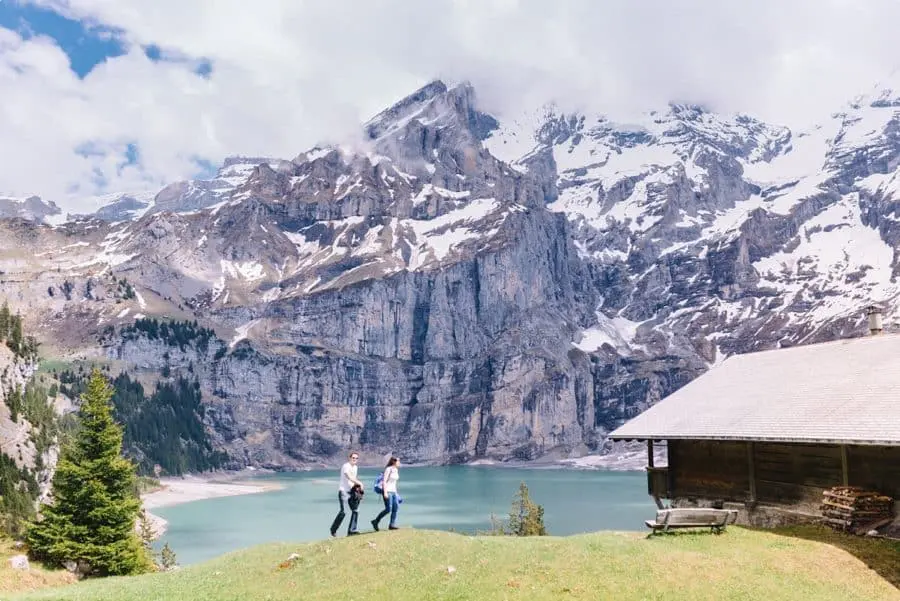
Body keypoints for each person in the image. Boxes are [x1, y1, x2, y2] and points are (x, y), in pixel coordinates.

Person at [330, 451, 363, 537]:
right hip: (343, 491)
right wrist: (359, 483)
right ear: (350, 458)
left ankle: (352, 530)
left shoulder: (355, 467)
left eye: (356, 458)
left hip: (351, 491)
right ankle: (333, 529)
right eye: (353, 458)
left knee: (356, 510)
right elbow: (348, 476)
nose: (355, 459)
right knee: (343, 512)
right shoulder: (346, 466)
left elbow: (353, 479)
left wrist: (357, 488)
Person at [371, 456, 401, 531]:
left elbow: (394, 483)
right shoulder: (388, 469)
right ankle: (376, 521)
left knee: (396, 508)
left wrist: (396, 493)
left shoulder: (396, 470)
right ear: (394, 461)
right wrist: (385, 493)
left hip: (393, 492)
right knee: (388, 509)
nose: (399, 463)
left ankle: (392, 524)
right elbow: (384, 481)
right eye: (398, 461)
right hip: (388, 491)